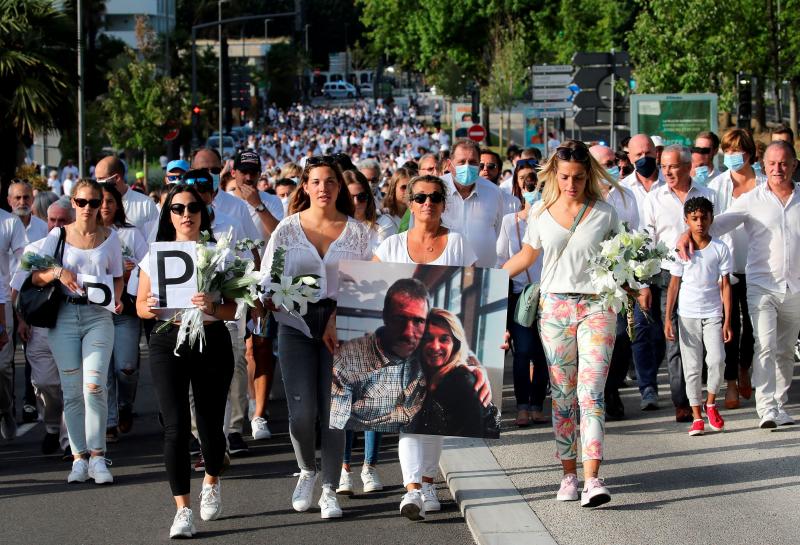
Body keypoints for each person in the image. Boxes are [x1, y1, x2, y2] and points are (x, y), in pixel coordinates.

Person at [502, 140, 642, 508]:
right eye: (564, 177)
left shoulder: (605, 212)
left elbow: (623, 257)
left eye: (578, 177)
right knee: (562, 396)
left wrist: (636, 282)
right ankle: (568, 475)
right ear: (554, 175)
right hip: (555, 309)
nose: (571, 184)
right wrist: (486, 282)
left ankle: (593, 478)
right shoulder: (541, 213)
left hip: (598, 308)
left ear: (589, 175)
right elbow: (526, 255)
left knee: (590, 393)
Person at [260, 156, 372, 520]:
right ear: (305, 186)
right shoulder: (287, 230)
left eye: (330, 182)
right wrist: (264, 297)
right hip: (294, 325)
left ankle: (329, 488)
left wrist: (340, 316)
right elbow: (267, 277)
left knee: (334, 412)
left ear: (340, 187)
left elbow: (370, 284)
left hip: (342, 327)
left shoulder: (357, 233)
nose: (323, 188)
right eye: (316, 181)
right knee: (301, 411)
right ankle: (307, 470)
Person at [373, 174, 479, 520]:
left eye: (434, 197)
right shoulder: (390, 246)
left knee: (434, 416)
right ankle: (413, 489)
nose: (427, 204)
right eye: (420, 198)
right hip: (402, 346)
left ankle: (429, 482)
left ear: (444, 203)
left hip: (439, 345)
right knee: (409, 415)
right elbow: (370, 286)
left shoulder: (459, 243)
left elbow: (474, 289)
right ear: (409, 202)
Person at [136, 184, 237, 538]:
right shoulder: (155, 255)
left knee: (210, 431)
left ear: (203, 212)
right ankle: (182, 510)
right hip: (168, 340)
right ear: (169, 215)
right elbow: (139, 305)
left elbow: (233, 308)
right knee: (175, 427)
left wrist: (211, 305)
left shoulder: (220, 253)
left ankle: (211, 477)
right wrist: (147, 306)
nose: (186, 214)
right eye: (177, 208)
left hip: (211, 339)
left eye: (193, 207)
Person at [677, 140, 800, 429]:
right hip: (762, 285)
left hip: (795, 287)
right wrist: (686, 233)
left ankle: (779, 404)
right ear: (764, 165)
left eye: (783, 163)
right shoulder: (752, 199)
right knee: (766, 344)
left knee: (784, 349)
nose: (777, 169)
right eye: (772, 163)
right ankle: (766, 407)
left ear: (794, 164)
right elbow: (714, 225)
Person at [31, 179, 123, 483]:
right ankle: (78, 458)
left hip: (98, 316)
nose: (87, 208)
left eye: (93, 203)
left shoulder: (111, 238)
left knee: (94, 386)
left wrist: (118, 298)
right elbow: (33, 275)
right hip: (65, 316)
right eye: (81, 202)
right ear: (73, 202)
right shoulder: (57, 236)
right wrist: (58, 271)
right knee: (71, 392)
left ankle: (98, 457)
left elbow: (118, 277)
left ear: (102, 205)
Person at [644, 145, 717, 422]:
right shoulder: (655, 197)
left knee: (703, 341)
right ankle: (681, 400)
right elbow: (647, 239)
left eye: (673, 166)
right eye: (663, 167)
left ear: (688, 167)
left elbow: (716, 229)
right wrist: (643, 284)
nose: (667, 171)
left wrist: (689, 233)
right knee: (674, 338)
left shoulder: (707, 194)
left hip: (702, 275)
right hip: (667, 276)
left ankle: (703, 393)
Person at [10, 198, 74, 455]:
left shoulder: (79, 247)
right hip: (39, 327)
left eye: (62, 220)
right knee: (46, 384)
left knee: (71, 384)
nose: (56, 225)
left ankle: (71, 442)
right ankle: (50, 426)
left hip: (70, 323)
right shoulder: (34, 249)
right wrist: (22, 320)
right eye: (52, 220)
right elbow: (18, 289)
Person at [665, 197, 732, 436]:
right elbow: (673, 285)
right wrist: (667, 318)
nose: (700, 223)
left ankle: (711, 402)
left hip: (713, 313)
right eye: (694, 219)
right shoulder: (682, 249)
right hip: (687, 315)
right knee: (691, 367)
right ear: (686, 221)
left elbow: (725, 285)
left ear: (711, 219)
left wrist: (727, 320)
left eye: (704, 218)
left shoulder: (720, 248)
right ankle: (696, 416)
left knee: (716, 360)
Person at [708, 128, 763, 409]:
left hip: (759, 266)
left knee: (753, 326)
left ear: (750, 153)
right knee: (730, 325)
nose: (732, 156)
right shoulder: (716, 186)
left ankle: (745, 367)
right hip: (726, 267)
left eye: (737, 150)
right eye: (727, 151)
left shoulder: (764, 183)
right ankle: (730, 381)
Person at [495, 161, 547, 426]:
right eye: (525, 179)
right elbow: (502, 260)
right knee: (524, 350)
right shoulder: (509, 222)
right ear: (517, 185)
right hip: (520, 295)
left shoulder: (551, 218)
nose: (530, 184)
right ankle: (523, 405)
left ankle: (538, 403)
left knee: (543, 352)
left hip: (549, 294)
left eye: (534, 179)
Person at [99, 183, 148, 441]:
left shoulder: (130, 234)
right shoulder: (88, 234)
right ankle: (109, 422)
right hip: (96, 312)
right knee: (102, 370)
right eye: (101, 200)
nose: (105, 206)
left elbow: (148, 266)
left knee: (126, 367)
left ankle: (124, 405)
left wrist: (131, 272)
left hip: (126, 311)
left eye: (110, 201)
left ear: (118, 205)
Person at [621, 134, 665, 412]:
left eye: (648, 152)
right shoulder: (623, 190)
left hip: (669, 268)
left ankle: (653, 369)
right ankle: (647, 387)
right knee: (639, 329)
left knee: (661, 333)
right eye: (638, 154)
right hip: (637, 271)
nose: (644, 158)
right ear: (629, 158)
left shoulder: (670, 184)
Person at [408, 308, 500, 437]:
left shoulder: (462, 381)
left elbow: (470, 440)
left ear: (455, 345)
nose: (435, 346)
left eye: (444, 339)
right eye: (428, 338)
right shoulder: (415, 371)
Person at [438, 139, 505, 268]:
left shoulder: (494, 192)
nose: (467, 166)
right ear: (449, 164)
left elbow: (496, 231)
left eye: (473, 162)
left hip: (483, 274)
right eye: (461, 162)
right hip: (443, 274)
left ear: (479, 165)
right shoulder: (436, 189)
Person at [0, 194, 28, 439]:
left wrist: (13, 293)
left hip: (2, 302)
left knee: (2, 368)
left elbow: (23, 262)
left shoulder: (9, 223)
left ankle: (5, 408)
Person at [94, 156, 159, 233]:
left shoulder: (146, 205)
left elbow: (155, 238)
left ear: (117, 178)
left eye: (101, 179)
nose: (97, 183)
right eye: (96, 179)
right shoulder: (93, 204)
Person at [344, 169, 396, 251]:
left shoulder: (384, 223)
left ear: (369, 197)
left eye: (362, 196)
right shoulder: (333, 225)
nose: (356, 203)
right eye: (349, 198)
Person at [380, 167, 412, 232]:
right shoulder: (383, 215)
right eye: (404, 187)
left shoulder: (417, 215)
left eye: (411, 187)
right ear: (393, 188)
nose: (408, 191)